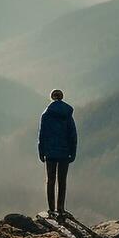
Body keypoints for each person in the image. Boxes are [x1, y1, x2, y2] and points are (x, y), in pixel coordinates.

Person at [38, 88, 77, 216]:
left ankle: (51, 209)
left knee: (50, 180)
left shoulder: (46, 115)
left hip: (50, 153)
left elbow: (42, 135)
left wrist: (41, 151)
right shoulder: (68, 114)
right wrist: (73, 152)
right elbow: (73, 135)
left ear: (51, 97)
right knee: (62, 181)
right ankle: (61, 208)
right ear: (62, 97)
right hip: (65, 153)